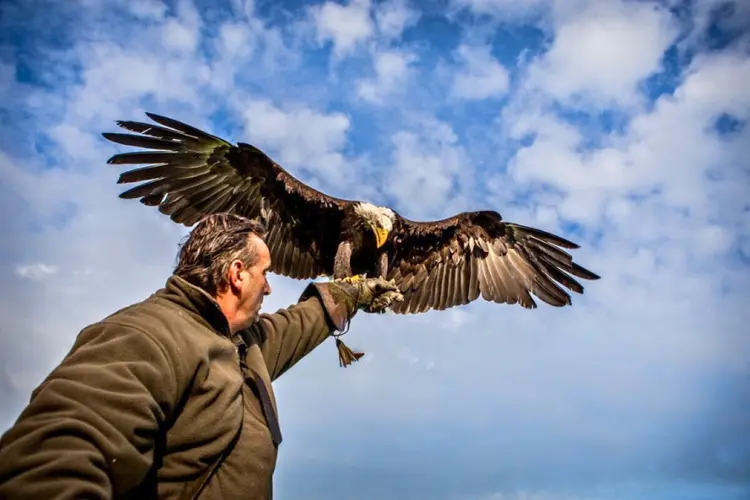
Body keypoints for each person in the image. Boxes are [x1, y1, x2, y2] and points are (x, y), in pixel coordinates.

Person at [0, 213, 403, 500]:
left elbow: (301, 322)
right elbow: (53, 459)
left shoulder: (244, 345)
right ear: (237, 274)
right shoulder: (147, 336)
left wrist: (357, 293)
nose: (269, 290)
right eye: (266, 275)